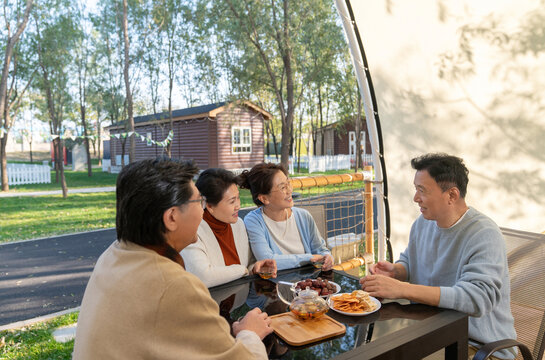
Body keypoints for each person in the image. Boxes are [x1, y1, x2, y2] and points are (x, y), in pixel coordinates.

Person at [73, 158, 272, 360]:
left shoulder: (112, 256)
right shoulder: (174, 286)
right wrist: (250, 333)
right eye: (199, 201)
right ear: (172, 217)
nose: (203, 209)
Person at [359, 153, 516, 359]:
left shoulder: (484, 235)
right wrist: (397, 271)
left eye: (422, 191)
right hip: (430, 330)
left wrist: (403, 289)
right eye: (416, 189)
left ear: (451, 195)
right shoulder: (423, 223)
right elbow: (410, 260)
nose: (415, 198)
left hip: (479, 347)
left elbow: (477, 299)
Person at [181, 168, 277, 287]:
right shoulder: (192, 231)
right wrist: (243, 271)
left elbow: (249, 263)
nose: (238, 205)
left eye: (238, 198)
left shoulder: (238, 224)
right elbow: (204, 277)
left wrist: (255, 269)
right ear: (210, 206)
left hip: (237, 299)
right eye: (232, 201)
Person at [239, 162, 333, 271]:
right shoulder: (253, 221)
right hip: (274, 285)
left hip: (307, 285)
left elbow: (321, 250)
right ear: (264, 199)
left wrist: (328, 257)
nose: (290, 190)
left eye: (288, 183)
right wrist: (309, 258)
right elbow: (268, 260)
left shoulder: (304, 216)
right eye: (283, 187)